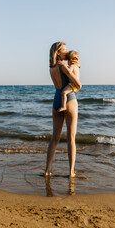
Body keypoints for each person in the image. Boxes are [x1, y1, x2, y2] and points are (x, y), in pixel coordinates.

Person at [45, 42, 82, 178]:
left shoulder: (51, 68)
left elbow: (58, 85)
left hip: (56, 101)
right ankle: (71, 172)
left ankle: (47, 170)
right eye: (64, 50)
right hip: (70, 100)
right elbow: (78, 84)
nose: (66, 53)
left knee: (54, 138)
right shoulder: (64, 66)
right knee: (71, 138)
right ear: (58, 53)